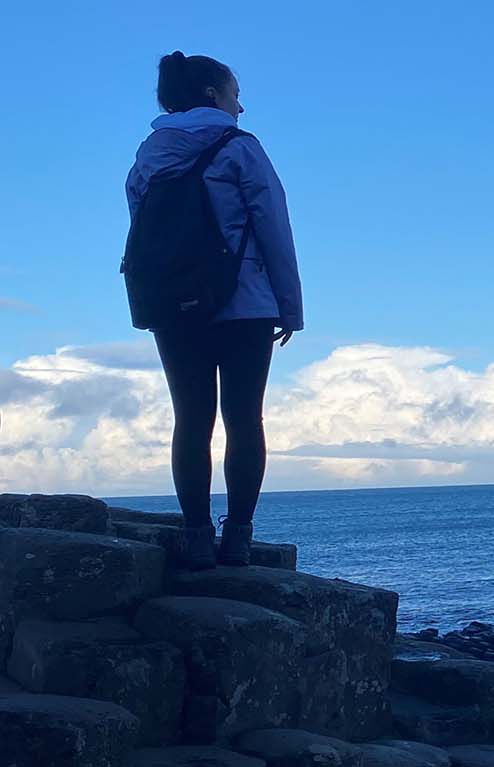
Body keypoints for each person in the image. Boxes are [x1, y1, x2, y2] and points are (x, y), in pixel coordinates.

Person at [125, 51, 303, 569]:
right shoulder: (240, 148)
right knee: (245, 419)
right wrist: (289, 308)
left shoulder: (150, 153)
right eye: (234, 93)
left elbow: (143, 228)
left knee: (191, 420)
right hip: (244, 303)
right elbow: (273, 227)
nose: (241, 107)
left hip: (174, 307)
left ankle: (197, 536)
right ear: (213, 95)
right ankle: (239, 538)